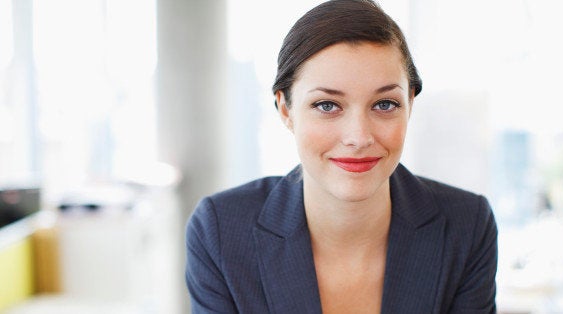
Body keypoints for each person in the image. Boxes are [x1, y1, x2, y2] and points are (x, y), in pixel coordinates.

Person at [185, 0, 498, 313]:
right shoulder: (220, 231)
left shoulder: (467, 227)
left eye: (385, 104)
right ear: (285, 110)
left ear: (410, 105)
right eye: (327, 106)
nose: (359, 138)